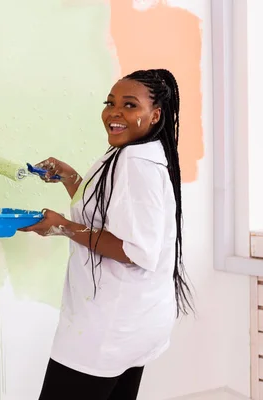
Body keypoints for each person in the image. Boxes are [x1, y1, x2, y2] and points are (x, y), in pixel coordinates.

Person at [19, 69, 194, 400]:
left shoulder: (135, 162)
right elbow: (104, 212)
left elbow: (136, 250)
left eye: (129, 105)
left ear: (155, 114)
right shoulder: (131, 153)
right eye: (110, 102)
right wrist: (70, 177)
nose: (114, 112)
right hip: (136, 319)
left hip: (111, 326)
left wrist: (61, 226)